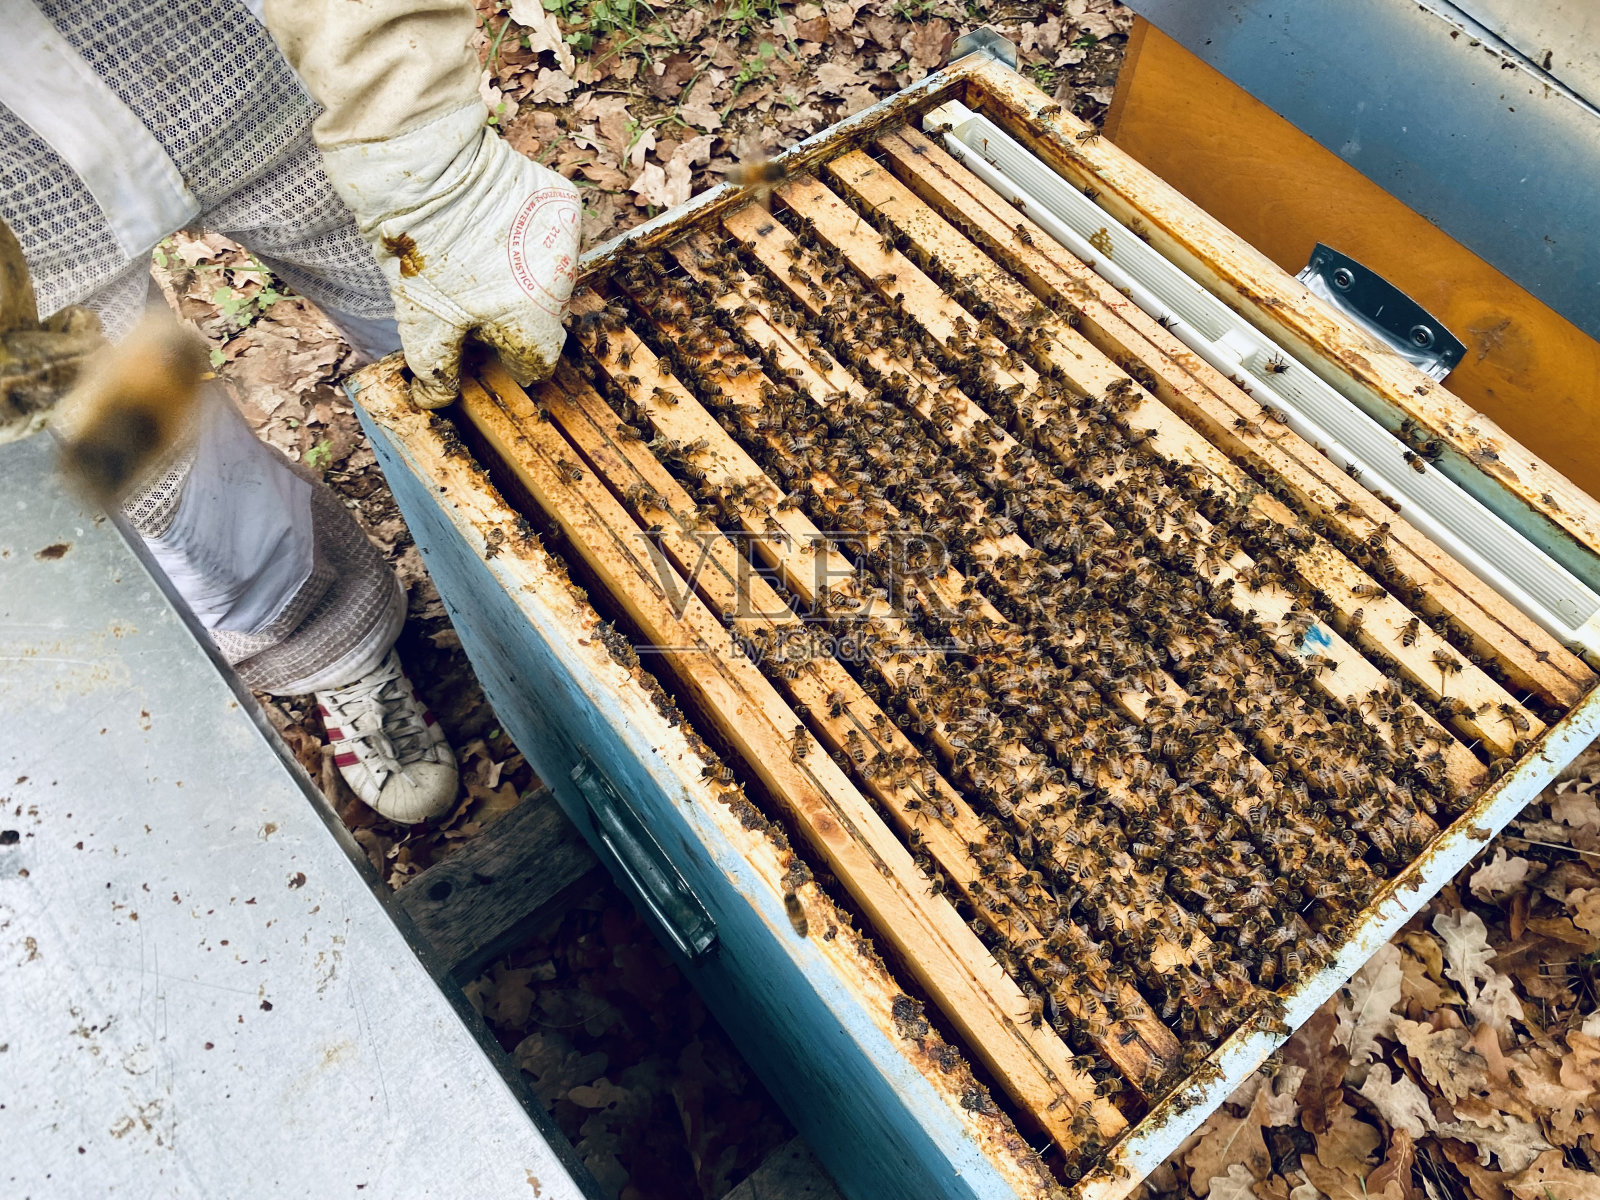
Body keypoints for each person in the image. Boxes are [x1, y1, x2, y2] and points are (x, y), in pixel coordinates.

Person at [0, 0, 581, 823]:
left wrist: (427, 146)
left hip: (259, 63)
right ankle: (326, 642)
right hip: (28, 238)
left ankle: (567, 541)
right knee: (170, 486)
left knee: (462, 332)